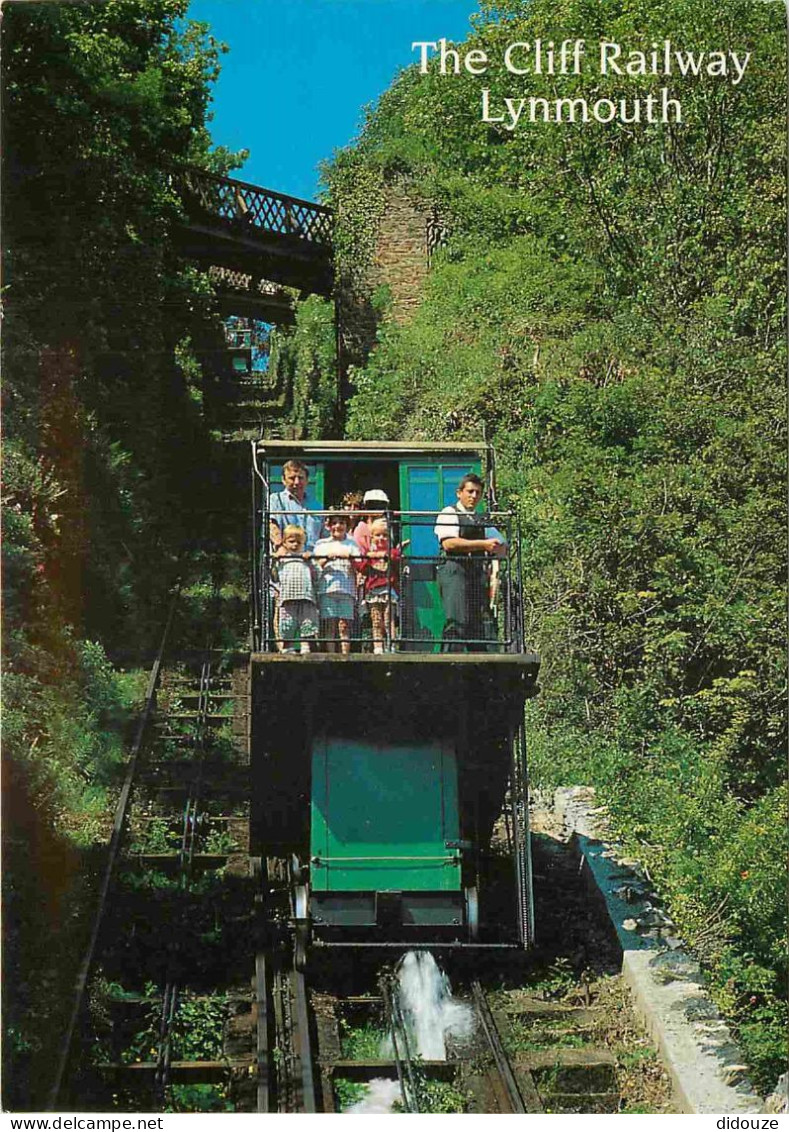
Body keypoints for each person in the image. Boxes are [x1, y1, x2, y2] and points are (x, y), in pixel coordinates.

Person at [434, 473, 506, 653]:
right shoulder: (449, 513)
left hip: (475, 573)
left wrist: (497, 548)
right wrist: (483, 545)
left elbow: (502, 545)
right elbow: (449, 543)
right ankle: (450, 660)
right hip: (453, 569)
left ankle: (479, 667)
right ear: (459, 493)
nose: (474, 496)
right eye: (470, 491)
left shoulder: (481, 520)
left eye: (478, 493)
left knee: (477, 620)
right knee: (457, 617)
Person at [356, 518, 409, 655]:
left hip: (388, 590)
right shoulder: (369, 555)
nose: (381, 538)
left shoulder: (392, 552)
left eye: (385, 535)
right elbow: (361, 568)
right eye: (378, 535)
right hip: (373, 591)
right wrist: (368, 558)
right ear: (372, 537)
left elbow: (396, 558)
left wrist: (385, 554)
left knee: (388, 619)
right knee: (376, 619)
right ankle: (378, 646)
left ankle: (391, 645)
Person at [314, 511, 361, 654]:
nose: (338, 526)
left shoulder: (352, 543)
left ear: (347, 525)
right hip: (327, 589)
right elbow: (316, 567)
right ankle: (332, 654)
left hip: (346, 590)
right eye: (334, 523)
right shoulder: (322, 543)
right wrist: (327, 558)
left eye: (341, 523)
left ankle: (345, 654)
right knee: (330, 625)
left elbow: (359, 566)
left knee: (344, 624)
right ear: (328, 526)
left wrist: (350, 558)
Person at [273, 525, 318, 655]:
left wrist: (311, 561)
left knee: (306, 621)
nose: (295, 545)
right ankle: (288, 646)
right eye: (291, 541)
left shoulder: (306, 558)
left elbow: (317, 575)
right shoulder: (282, 559)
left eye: (299, 542)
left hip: (306, 595)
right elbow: (274, 576)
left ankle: (305, 646)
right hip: (287, 596)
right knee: (287, 622)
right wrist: (274, 560)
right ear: (285, 542)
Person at [268, 459, 324, 551]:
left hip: (312, 560)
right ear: (283, 480)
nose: (297, 482)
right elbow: (271, 526)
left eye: (301, 478)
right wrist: (280, 547)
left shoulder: (317, 506)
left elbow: (323, 535)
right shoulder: (275, 500)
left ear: (307, 480)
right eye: (292, 478)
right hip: (286, 559)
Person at [352, 488, 390, 556]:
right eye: (372, 506)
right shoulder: (361, 529)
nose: (376, 509)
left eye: (381, 506)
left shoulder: (388, 526)